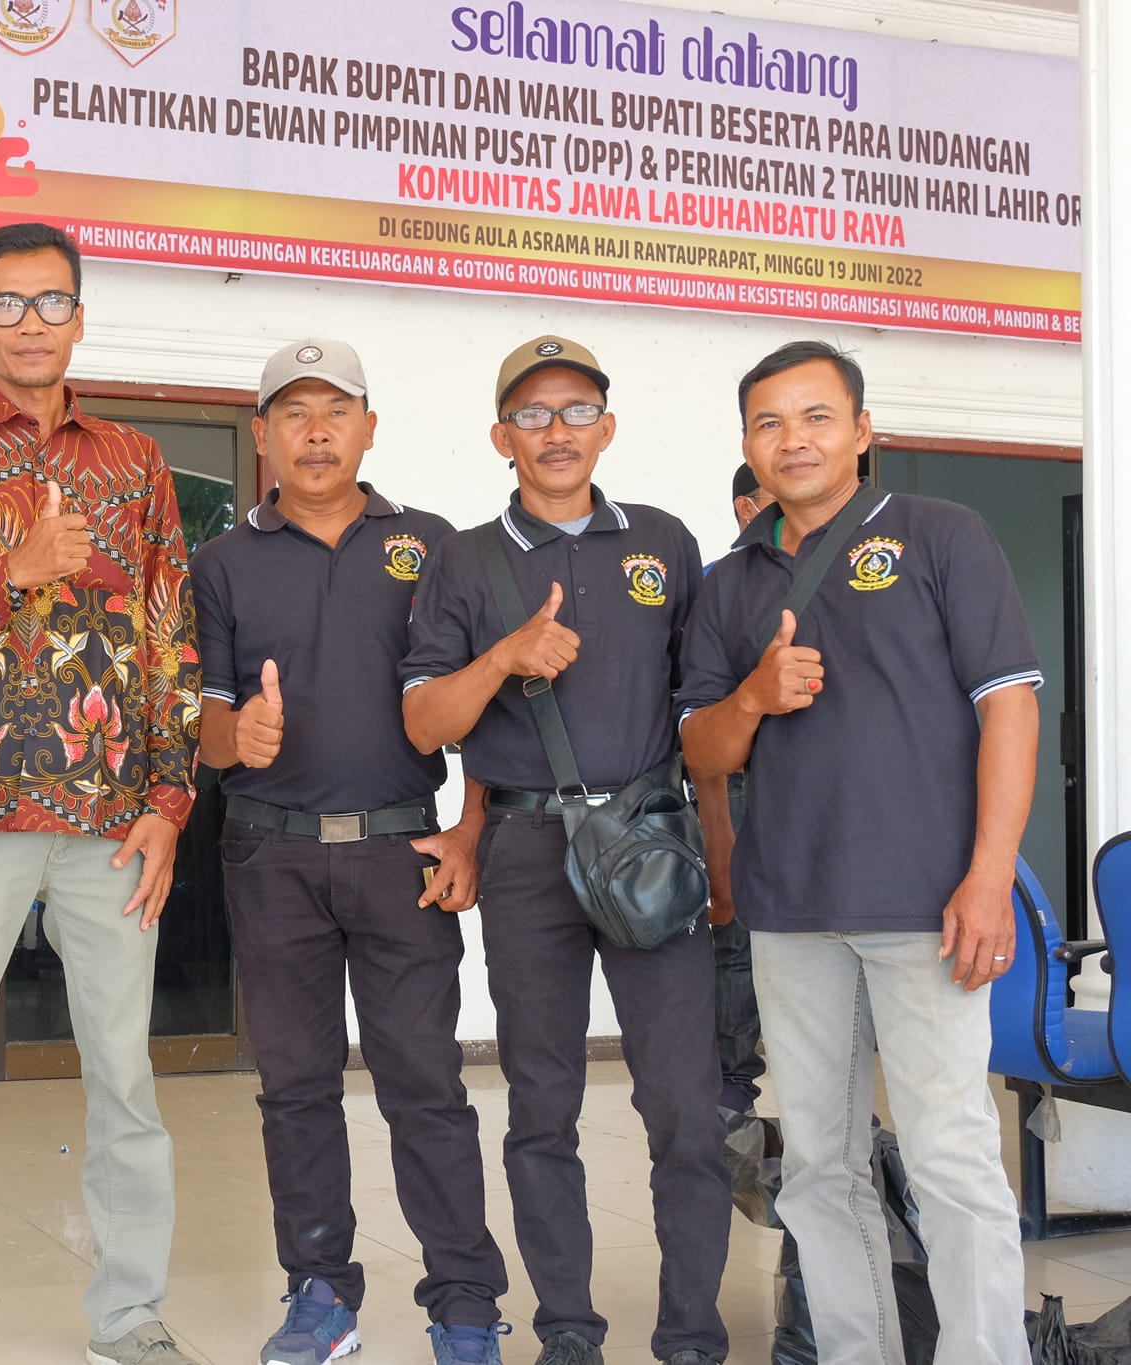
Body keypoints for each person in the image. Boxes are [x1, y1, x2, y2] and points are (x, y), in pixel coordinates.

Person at [0, 222, 201, 1365]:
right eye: (5, 303)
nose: (29, 323)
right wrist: (9, 576)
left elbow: (169, 640)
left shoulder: (136, 463)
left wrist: (169, 800)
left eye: (49, 301)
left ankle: (128, 1315)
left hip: (112, 825)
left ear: (78, 317)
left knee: (125, 1083)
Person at [677, 340, 1038, 1363]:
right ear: (746, 442)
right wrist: (754, 695)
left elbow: (1009, 708)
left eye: (815, 417)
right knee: (817, 1170)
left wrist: (988, 877)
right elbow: (702, 749)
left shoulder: (940, 535)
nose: (792, 440)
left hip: (928, 907)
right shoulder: (729, 582)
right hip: (790, 913)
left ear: (862, 431)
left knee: (949, 1158)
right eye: (768, 422)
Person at [399, 336, 731, 1365]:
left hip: (648, 837)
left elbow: (703, 714)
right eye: (533, 415)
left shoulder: (664, 542)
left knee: (685, 1109)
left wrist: (720, 860)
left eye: (577, 410)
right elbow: (424, 721)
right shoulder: (464, 559)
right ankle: (568, 1331)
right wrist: (503, 655)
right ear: (501, 437)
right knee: (541, 1108)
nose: (557, 431)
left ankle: (691, 1335)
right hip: (525, 848)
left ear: (607, 427)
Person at [190, 340, 512, 1365]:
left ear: (369, 427)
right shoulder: (223, 561)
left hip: (398, 851)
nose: (317, 432)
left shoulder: (432, 544)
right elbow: (205, 722)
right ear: (262, 436)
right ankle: (320, 1290)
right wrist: (234, 736)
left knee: (425, 1082)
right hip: (269, 855)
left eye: (336, 410)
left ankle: (464, 1300)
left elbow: (484, 705)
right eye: (294, 413)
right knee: (294, 1086)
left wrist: (469, 826)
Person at [702, 464, 775, 1115]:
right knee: (737, 940)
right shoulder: (716, 586)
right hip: (736, 785)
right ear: (745, 509)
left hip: (819, 791)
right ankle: (732, 1092)